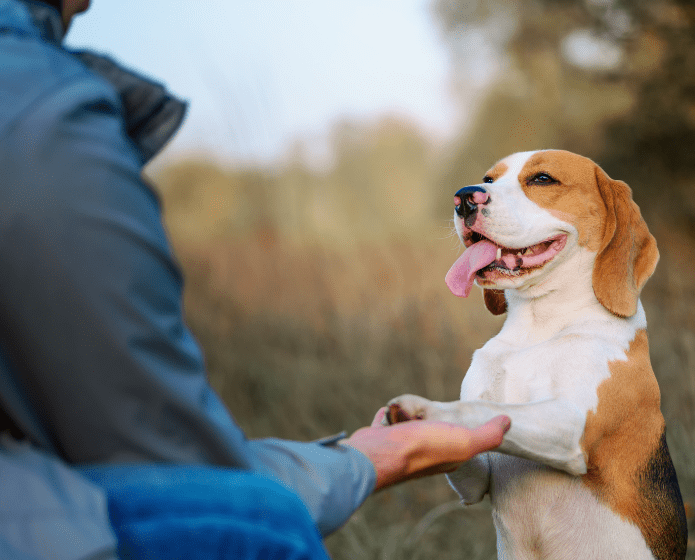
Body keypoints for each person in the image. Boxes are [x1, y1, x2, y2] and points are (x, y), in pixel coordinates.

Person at [0, 1, 510, 558]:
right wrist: (385, 457)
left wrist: (367, 457)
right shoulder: (40, 111)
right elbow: (194, 487)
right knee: (257, 529)